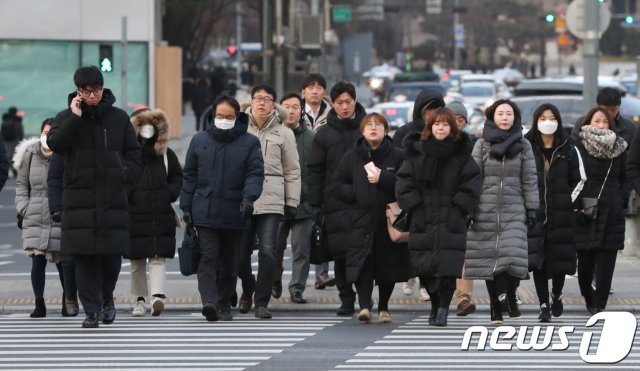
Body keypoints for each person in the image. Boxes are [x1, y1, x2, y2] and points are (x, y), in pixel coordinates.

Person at [47, 65, 142, 328]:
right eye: (86, 91)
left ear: (103, 88)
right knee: (84, 258)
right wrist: (74, 119)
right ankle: (91, 310)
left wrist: (123, 174)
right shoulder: (65, 117)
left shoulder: (119, 118)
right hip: (79, 201)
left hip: (112, 198)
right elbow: (55, 145)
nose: (92, 96)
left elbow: (134, 156)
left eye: (96, 90)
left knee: (111, 258)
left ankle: (107, 299)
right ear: (77, 91)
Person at [180, 94, 264, 322]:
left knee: (230, 261)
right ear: (212, 115)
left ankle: (224, 303)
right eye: (220, 115)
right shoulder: (199, 140)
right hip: (205, 211)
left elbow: (254, 174)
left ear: (237, 117)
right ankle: (210, 301)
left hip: (236, 212)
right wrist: (186, 208)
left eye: (229, 116)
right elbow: (189, 176)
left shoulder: (249, 143)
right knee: (208, 256)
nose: (224, 119)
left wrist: (249, 198)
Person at [396, 108, 481, 326]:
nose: (440, 128)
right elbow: (404, 183)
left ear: (452, 128)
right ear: (429, 127)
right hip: (422, 218)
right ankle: (434, 305)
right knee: (424, 267)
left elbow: (471, 182)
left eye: (445, 124)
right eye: (436, 124)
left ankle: (443, 307)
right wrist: (414, 206)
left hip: (451, 218)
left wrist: (459, 207)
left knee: (448, 266)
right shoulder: (417, 153)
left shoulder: (461, 154)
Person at [464, 99, 539, 324]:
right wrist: (469, 208)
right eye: (500, 114)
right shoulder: (482, 145)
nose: (505, 117)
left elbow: (530, 178)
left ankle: (509, 298)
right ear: (492, 117)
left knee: (511, 257)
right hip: (484, 208)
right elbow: (472, 177)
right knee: (489, 260)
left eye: (509, 113)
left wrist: (532, 207)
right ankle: (496, 307)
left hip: (514, 207)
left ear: (515, 117)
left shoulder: (524, 146)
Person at [333, 113, 408, 324]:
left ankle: (384, 306)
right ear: (362, 131)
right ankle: (365, 305)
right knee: (362, 263)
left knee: (388, 265)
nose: (373, 128)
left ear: (386, 130)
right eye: (369, 125)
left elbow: (406, 184)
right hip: (360, 219)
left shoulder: (397, 155)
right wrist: (355, 192)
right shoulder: (352, 156)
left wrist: (383, 178)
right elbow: (337, 184)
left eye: (378, 125)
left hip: (388, 219)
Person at [236, 84, 301, 319]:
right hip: (243, 198)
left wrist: (292, 201)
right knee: (240, 254)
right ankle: (248, 287)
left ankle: (261, 302)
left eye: (267, 99)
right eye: (258, 98)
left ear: (274, 104)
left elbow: (292, 170)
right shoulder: (239, 129)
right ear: (251, 101)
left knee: (268, 251)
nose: (262, 103)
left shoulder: (284, 133)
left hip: (272, 199)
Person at [308, 81, 367, 316]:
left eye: (348, 102)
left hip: (364, 200)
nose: (345, 107)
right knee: (341, 254)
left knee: (364, 252)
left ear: (355, 102)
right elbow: (316, 170)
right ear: (333, 103)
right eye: (340, 102)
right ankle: (346, 297)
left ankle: (364, 299)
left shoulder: (366, 127)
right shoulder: (324, 133)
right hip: (334, 202)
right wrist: (315, 203)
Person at [524, 104, 580, 322]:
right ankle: (543, 305)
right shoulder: (527, 148)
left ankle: (556, 294)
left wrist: (569, 202)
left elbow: (580, 180)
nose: (547, 121)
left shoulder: (569, 149)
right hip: (536, 215)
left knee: (559, 262)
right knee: (539, 261)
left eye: (552, 117)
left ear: (558, 121)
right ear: (536, 121)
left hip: (562, 216)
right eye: (543, 117)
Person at [126, 108, 183, 317]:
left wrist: (169, 193)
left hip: (160, 212)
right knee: (136, 261)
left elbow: (177, 176)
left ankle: (157, 297)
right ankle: (138, 300)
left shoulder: (166, 154)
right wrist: (129, 196)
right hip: (134, 213)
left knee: (158, 257)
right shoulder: (128, 154)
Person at [574, 107, 627, 314]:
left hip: (611, 209)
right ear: (588, 122)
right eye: (597, 121)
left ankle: (600, 304)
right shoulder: (578, 147)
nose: (601, 125)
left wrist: (619, 197)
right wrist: (576, 203)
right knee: (585, 265)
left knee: (607, 262)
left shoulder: (619, 147)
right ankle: (588, 296)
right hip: (585, 209)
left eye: (605, 122)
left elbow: (625, 177)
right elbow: (572, 178)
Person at [14, 119, 66, 318]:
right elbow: (21, 184)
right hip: (34, 212)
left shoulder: (63, 153)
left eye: (52, 132)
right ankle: (39, 304)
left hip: (57, 212)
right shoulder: (30, 154)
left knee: (63, 261)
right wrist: (24, 208)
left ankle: (67, 301)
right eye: (45, 131)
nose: (48, 135)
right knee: (37, 259)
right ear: (40, 133)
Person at [272, 93, 314, 304]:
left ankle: (297, 288)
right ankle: (275, 278)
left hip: (304, 204)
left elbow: (316, 171)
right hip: (277, 203)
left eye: (296, 107)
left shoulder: (311, 138)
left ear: (302, 110)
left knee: (301, 249)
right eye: (286, 106)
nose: (291, 110)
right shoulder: (273, 135)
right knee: (274, 247)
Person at [444, 100, 479, 316]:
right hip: (437, 208)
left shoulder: (473, 144)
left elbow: (475, 181)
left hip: (462, 208)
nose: (457, 124)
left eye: (461, 120)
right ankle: (440, 299)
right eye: (453, 119)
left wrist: (471, 210)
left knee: (464, 256)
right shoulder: (432, 143)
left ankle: (463, 299)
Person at [300, 73, 335, 289]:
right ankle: (296, 280)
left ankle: (322, 273)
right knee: (300, 232)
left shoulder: (332, 116)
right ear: (303, 91)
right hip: (299, 175)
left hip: (324, 175)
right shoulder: (293, 111)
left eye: (319, 87)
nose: (315, 90)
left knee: (322, 225)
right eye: (310, 87)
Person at [47, 152, 78, 316]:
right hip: (68, 209)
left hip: (93, 206)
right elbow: (54, 179)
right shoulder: (63, 142)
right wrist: (56, 208)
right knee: (68, 259)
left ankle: (102, 299)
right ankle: (70, 295)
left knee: (97, 257)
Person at [2, 106, 25, 178]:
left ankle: (5, 171)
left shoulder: (5, 120)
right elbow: (20, 132)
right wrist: (21, 141)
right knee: (13, 157)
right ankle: (14, 172)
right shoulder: (18, 121)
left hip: (5, 141)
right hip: (15, 141)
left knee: (7, 156)